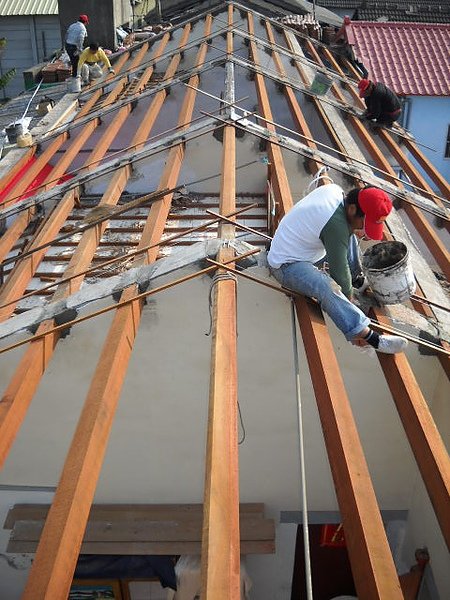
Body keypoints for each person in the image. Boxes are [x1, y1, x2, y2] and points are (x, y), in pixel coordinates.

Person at [267, 183, 408, 354]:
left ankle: (357, 279)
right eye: (364, 222)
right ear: (352, 209)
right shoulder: (335, 224)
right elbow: (339, 274)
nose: (364, 229)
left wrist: (348, 285)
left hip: (307, 250)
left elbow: (342, 237)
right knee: (326, 286)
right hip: (286, 265)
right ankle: (367, 337)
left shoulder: (336, 192)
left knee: (349, 237)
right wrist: (347, 300)